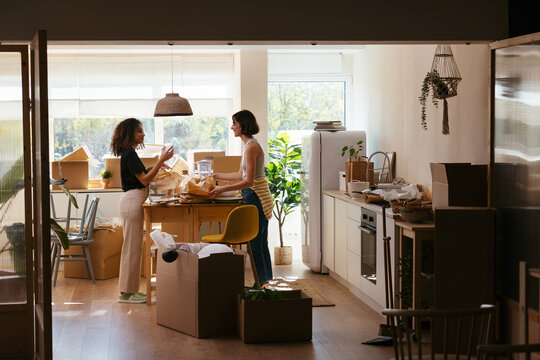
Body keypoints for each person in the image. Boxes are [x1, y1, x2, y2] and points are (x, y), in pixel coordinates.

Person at [110, 118, 173, 303]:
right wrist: (161, 160)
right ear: (130, 133)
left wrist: (158, 165)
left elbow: (142, 175)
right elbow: (144, 180)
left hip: (132, 200)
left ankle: (127, 291)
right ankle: (128, 293)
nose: (143, 134)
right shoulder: (129, 154)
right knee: (132, 248)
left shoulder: (130, 154)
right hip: (132, 201)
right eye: (139, 131)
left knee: (132, 248)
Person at [209, 110, 274, 284]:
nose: (232, 127)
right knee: (260, 245)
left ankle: (262, 285)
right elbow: (240, 174)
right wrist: (218, 175)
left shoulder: (252, 147)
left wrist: (221, 190)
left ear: (243, 125)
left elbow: (248, 181)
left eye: (235, 123)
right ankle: (267, 283)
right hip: (255, 196)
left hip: (257, 197)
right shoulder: (248, 145)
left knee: (256, 246)